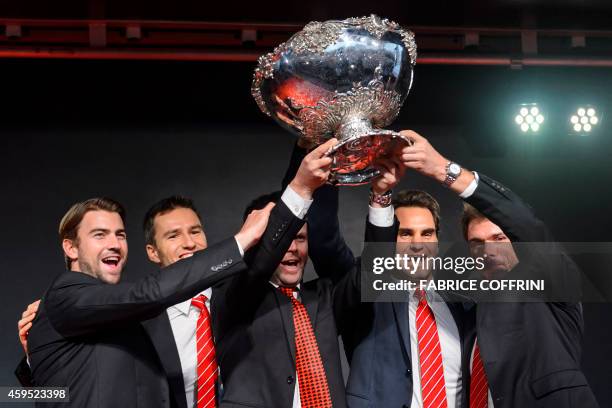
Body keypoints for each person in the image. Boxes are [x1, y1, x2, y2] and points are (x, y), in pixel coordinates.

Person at [399, 130, 599, 408]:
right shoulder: (471, 316)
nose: (488, 250)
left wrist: (444, 171)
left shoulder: (551, 282)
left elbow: (526, 225)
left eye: (499, 238)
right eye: (477, 242)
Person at [25, 196, 271, 408]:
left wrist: (41, 363)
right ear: (71, 248)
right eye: (99, 235)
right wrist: (241, 240)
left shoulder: (128, 319)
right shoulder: (64, 294)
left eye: (120, 235)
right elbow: (16, 396)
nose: (114, 244)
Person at [211, 142, 402, 408]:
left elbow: (372, 275)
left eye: (300, 238)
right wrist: (301, 186)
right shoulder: (234, 294)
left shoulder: (323, 297)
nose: (292, 247)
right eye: (284, 239)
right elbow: (260, 263)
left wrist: (381, 197)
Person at [307, 159, 476, 408]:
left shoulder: (464, 307)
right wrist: (380, 196)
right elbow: (323, 237)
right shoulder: (367, 293)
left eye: (427, 233)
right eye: (405, 233)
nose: (417, 245)